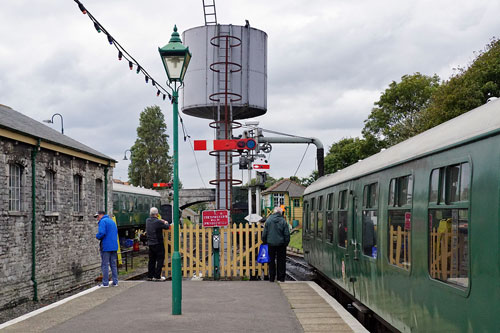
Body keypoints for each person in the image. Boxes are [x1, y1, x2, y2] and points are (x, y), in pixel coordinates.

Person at [262, 206, 290, 282]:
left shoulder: (268, 220)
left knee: (271, 261)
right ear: (281, 213)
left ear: (274, 212)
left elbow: (264, 233)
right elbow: (287, 234)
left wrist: (264, 242)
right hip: (281, 244)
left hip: (270, 244)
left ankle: (272, 277)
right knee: (281, 261)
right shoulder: (283, 221)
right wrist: (286, 243)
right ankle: (281, 278)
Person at [95, 210, 119, 287]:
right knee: (113, 264)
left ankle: (105, 283)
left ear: (101, 215)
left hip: (106, 246)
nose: (97, 218)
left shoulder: (102, 221)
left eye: (97, 216)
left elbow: (102, 232)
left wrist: (97, 236)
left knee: (105, 264)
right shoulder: (112, 221)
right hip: (114, 246)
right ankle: (115, 282)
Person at [146, 207, 170, 281]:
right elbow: (167, 227)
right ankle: (157, 276)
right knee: (160, 259)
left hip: (150, 243)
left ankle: (150, 276)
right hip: (158, 243)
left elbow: (155, 222)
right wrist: (165, 222)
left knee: (151, 260)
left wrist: (160, 220)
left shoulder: (147, 220)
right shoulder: (158, 222)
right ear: (157, 214)